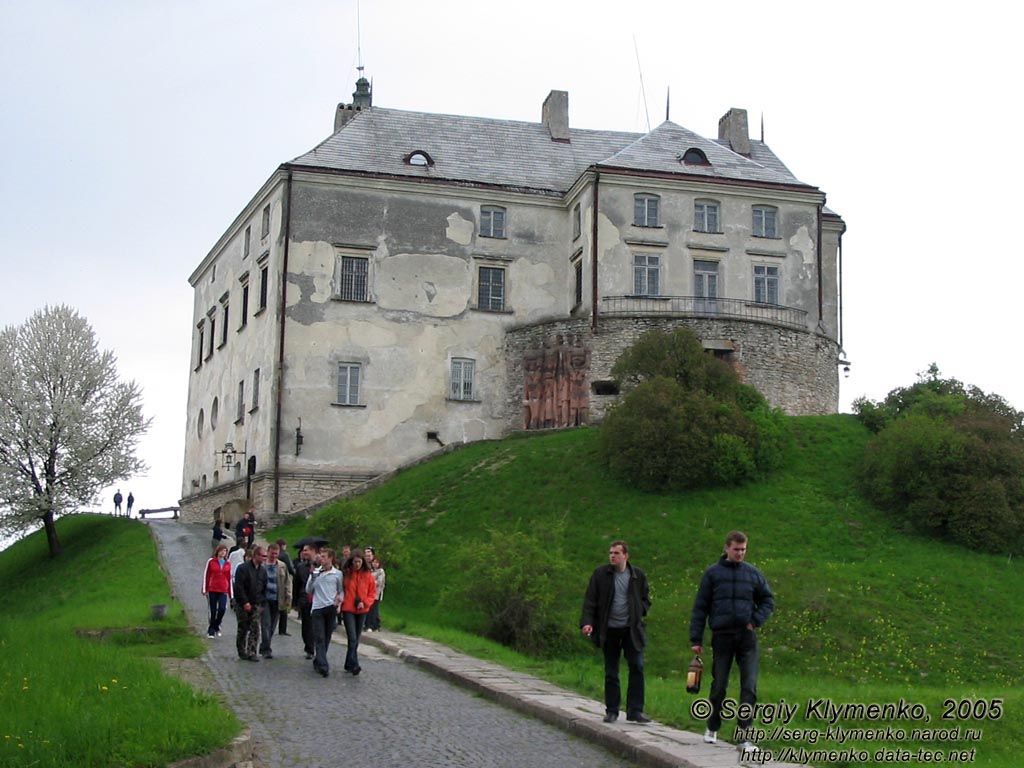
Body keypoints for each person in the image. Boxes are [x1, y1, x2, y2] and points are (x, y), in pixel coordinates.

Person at [689, 531, 775, 753]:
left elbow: (768, 599)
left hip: (746, 637)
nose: (740, 554)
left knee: (749, 686)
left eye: (743, 550)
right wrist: (696, 638)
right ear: (727, 548)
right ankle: (712, 725)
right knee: (719, 686)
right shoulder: (713, 574)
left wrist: (755, 620)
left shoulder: (753, 573)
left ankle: (744, 736)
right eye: (736, 549)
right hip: (722, 636)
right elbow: (701, 607)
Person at [579, 540, 651, 724]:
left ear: (626, 556)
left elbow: (645, 599)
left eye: (617, 553)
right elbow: (590, 601)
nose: (612, 556)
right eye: (611, 552)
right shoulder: (601, 574)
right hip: (609, 629)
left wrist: (639, 610)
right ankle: (612, 710)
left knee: (637, 666)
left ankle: (635, 710)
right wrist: (587, 623)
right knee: (611, 671)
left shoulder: (637, 576)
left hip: (631, 629)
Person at [307, 548, 344, 677]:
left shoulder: (337, 574)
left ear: (330, 558)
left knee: (327, 636)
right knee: (319, 637)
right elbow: (309, 590)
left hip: (330, 607)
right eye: (320, 556)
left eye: (324, 557)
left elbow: (341, 590)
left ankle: (319, 659)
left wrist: (340, 599)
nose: (321, 559)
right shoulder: (316, 573)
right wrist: (312, 577)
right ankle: (324, 665)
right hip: (317, 608)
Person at [340, 551, 377, 675]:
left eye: (359, 562)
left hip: (362, 610)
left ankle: (348, 663)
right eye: (355, 562)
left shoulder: (368, 576)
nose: (357, 564)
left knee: (356, 637)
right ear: (351, 562)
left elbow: (372, 593)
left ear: (363, 562)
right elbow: (341, 589)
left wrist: (365, 602)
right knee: (352, 637)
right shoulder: (346, 574)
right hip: (348, 608)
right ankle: (354, 664)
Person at [233, 545, 268, 661]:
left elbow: (264, 587)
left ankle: (252, 651)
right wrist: (244, 602)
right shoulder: (243, 568)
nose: (265, 558)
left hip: (256, 603)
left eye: (265, 556)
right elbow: (239, 587)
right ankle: (241, 650)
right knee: (243, 627)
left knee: (255, 628)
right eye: (263, 556)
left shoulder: (263, 571)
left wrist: (262, 603)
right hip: (243, 603)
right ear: (256, 555)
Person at [259, 543, 291, 659]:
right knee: (265, 624)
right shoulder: (262, 566)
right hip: (265, 599)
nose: (273, 556)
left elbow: (287, 582)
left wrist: (288, 598)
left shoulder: (282, 566)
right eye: (272, 553)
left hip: (278, 599)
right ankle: (266, 649)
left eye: (276, 554)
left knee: (272, 625)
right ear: (268, 552)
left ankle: (265, 645)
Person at [201, 544, 233, 638]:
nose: (223, 553)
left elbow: (229, 578)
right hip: (213, 588)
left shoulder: (227, 563)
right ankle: (211, 631)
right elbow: (206, 574)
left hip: (223, 589)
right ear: (218, 551)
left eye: (225, 551)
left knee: (222, 609)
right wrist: (205, 588)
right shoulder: (211, 561)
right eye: (221, 551)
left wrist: (231, 594)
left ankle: (216, 625)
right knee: (213, 610)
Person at [293, 543, 317, 659]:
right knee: (306, 625)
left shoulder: (320, 566)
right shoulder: (300, 567)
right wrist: (295, 602)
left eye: (306, 550)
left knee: (316, 625)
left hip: (319, 600)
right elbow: (296, 584)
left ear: (313, 551)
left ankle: (316, 647)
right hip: (305, 599)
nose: (304, 552)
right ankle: (309, 648)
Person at [275, 538, 294, 635]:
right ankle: (282, 629)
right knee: (284, 604)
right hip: (284, 578)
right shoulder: (285, 555)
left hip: (276, 581)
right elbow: (290, 568)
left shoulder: (277, 555)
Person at [365, 556, 386, 632]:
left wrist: (371, 583)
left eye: (377, 562)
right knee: (368, 609)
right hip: (368, 593)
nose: (375, 564)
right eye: (374, 562)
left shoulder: (380, 571)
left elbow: (379, 582)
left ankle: (375, 625)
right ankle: (368, 625)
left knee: (374, 610)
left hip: (376, 593)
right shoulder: (370, 571)